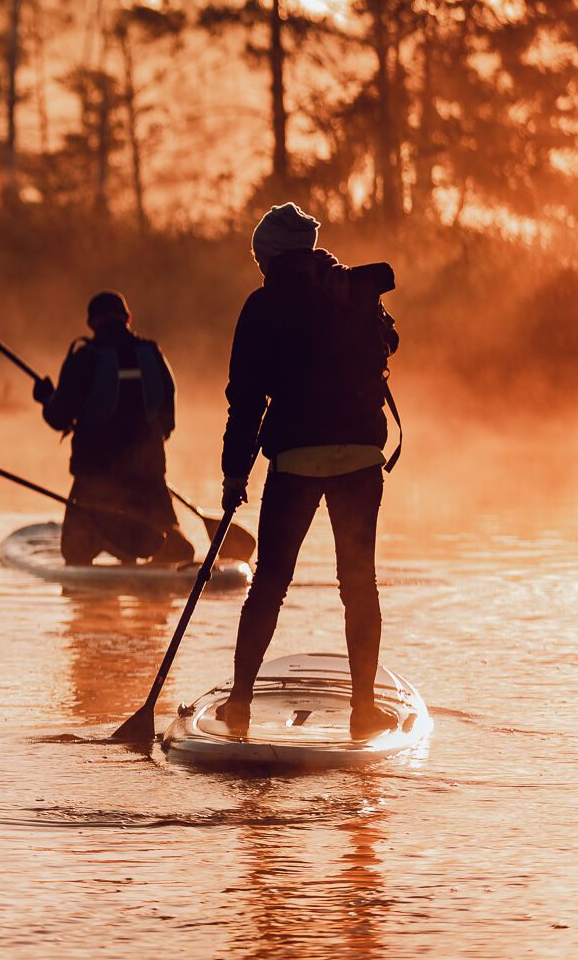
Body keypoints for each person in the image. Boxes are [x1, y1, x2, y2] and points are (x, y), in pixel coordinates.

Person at [217, 202, 401, 740]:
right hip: (362, 460)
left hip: (296, 459)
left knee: (269, 585)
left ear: (268, 256)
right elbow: (389, 345)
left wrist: (234, 476)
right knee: (359, 585)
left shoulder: (262, 305)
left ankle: (241, 704)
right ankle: (363, 710)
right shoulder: (348, 290)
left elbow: (245, 399)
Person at [33, 290, 193, 567]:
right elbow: (168, 420)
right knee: (165, 532)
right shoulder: (152, 354)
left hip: (95, 477)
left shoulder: (84, 359)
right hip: (149, 474)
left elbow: (59, 417)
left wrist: (47, 397)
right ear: (128, 318)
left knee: (76, 553)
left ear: (91, 323)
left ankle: (109, 548)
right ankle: (157, 551)